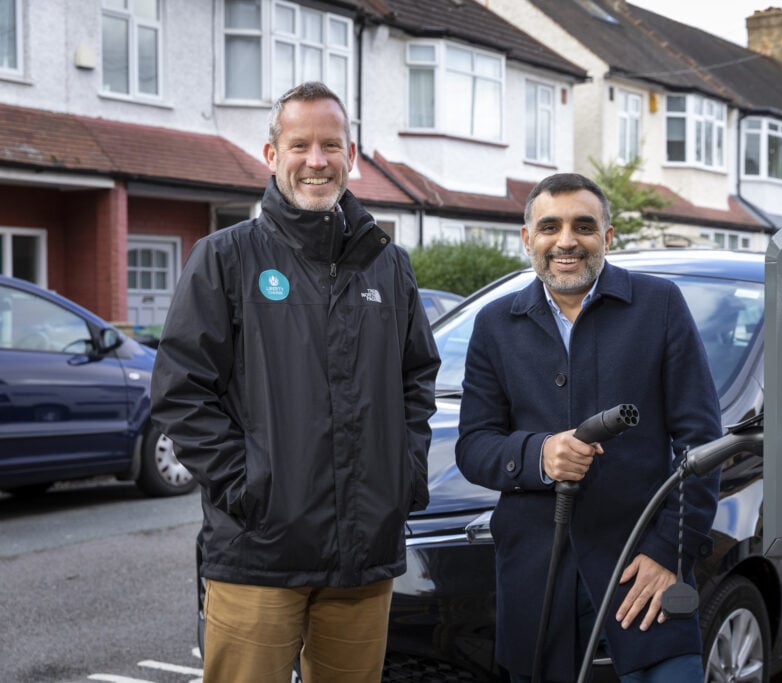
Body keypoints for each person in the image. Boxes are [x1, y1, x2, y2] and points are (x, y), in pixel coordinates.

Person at [151, 81, 440, 683]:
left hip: (364, 555)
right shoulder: (225, 258)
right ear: (271, 154)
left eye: (331, 145)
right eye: (300, 144)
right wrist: (248, 488)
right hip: (259, 552)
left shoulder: (387, 264)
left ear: (351, 156)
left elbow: (417, 378)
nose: (316, 160)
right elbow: (181, 392)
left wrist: (403, 475)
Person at [455, 173, 722, 682]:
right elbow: (474, 445)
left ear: (608, 236)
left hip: (642, 571)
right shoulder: (494, 323)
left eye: (583, 226)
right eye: (550, 226)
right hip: (538, 583)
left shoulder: (659, 304)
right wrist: (540, 454)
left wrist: (670, 552)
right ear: (527, 238)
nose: (566, 241)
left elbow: (701, 444)